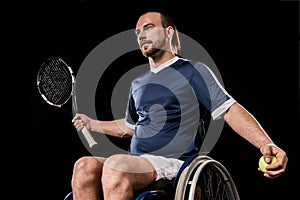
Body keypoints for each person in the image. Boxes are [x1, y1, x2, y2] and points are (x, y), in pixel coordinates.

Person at [70, 11, 288, 200]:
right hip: (136, 162)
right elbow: (129, 127)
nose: (141, 35)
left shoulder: (193, 70)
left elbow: (228, 109)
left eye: (148, 27)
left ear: (169, 32)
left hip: (174, 163)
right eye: (137, 32)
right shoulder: (137, 82)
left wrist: (264, 143)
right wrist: (92, 124)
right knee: (83, 167)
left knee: (114, 166)